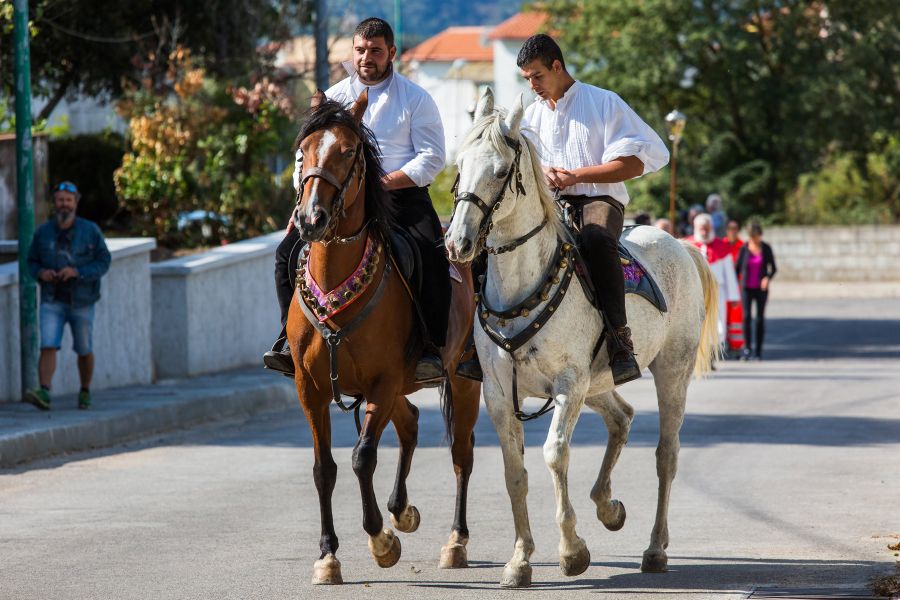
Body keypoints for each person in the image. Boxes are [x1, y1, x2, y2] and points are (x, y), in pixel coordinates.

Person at [263, 17, 450, 383]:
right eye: (361, 50)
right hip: (335, 202)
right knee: (286, 253)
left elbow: (432, 158)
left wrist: (381, 184)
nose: (367, 58)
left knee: (431, 251)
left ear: (391, 53)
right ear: (353, 51)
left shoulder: (416, 98)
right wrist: (304, 200)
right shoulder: (331, 99)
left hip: (401, 198)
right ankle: (290, 341)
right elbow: (305, 157)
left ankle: (431, 348)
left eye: (376, 51)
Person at [518, 33, 670, 385]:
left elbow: (635, 163)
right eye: (527, 79)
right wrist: (543, 172)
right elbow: (526, 163)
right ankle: (479, 341)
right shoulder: (531, 115)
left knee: (597, 240)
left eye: (537, 76)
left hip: (598, 198)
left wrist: (576, 177)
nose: (533, 85)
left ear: (557, 66)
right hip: (547, 201)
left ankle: (620, 341)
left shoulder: (604, 102)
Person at [24, 181, 111, 410]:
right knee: (48, 344)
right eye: (60, 200)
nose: (64, 205)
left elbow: (104, 261)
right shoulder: (43, 233)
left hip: (82, 300)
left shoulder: (90, 231)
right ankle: (44, 390)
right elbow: (31, 262)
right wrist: (42, 272)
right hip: (52, 298)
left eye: (68, 200)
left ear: (76, 203)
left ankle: (84, 390)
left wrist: (78, 273)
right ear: (55, 203)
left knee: (84, 348)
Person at [686, 213, 740, 344]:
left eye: (707, 229)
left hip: (717, 290)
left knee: (717, 321)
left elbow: (729, 273)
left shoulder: (722, 246)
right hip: (695, 291)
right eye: (701, 229)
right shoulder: (687, 245)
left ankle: (712, 352)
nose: (704, 232)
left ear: (711, 228)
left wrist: (733, 296)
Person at [735, 222, 777, 360]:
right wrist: (736, 286)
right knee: (746, 317)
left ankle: (758, 350)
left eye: (756, 236)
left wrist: (767, 278)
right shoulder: (744, 248)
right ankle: (747, 348)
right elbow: (737, 269)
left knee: (759, 319)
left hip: (761, 289)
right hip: (746, 288)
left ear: (760, 235)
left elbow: (773, 268)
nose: (753, 239)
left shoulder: (766, 248)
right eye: (751, 236)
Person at [723, 219, 745, 357]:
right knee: (722, 315)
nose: (733, 231)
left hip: (737, 285)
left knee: (736, 316)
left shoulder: (743, 246)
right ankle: (722, 343)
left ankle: (736, 346)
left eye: (735, 228)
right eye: (730, 228)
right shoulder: (722, 245)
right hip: (723, 286)